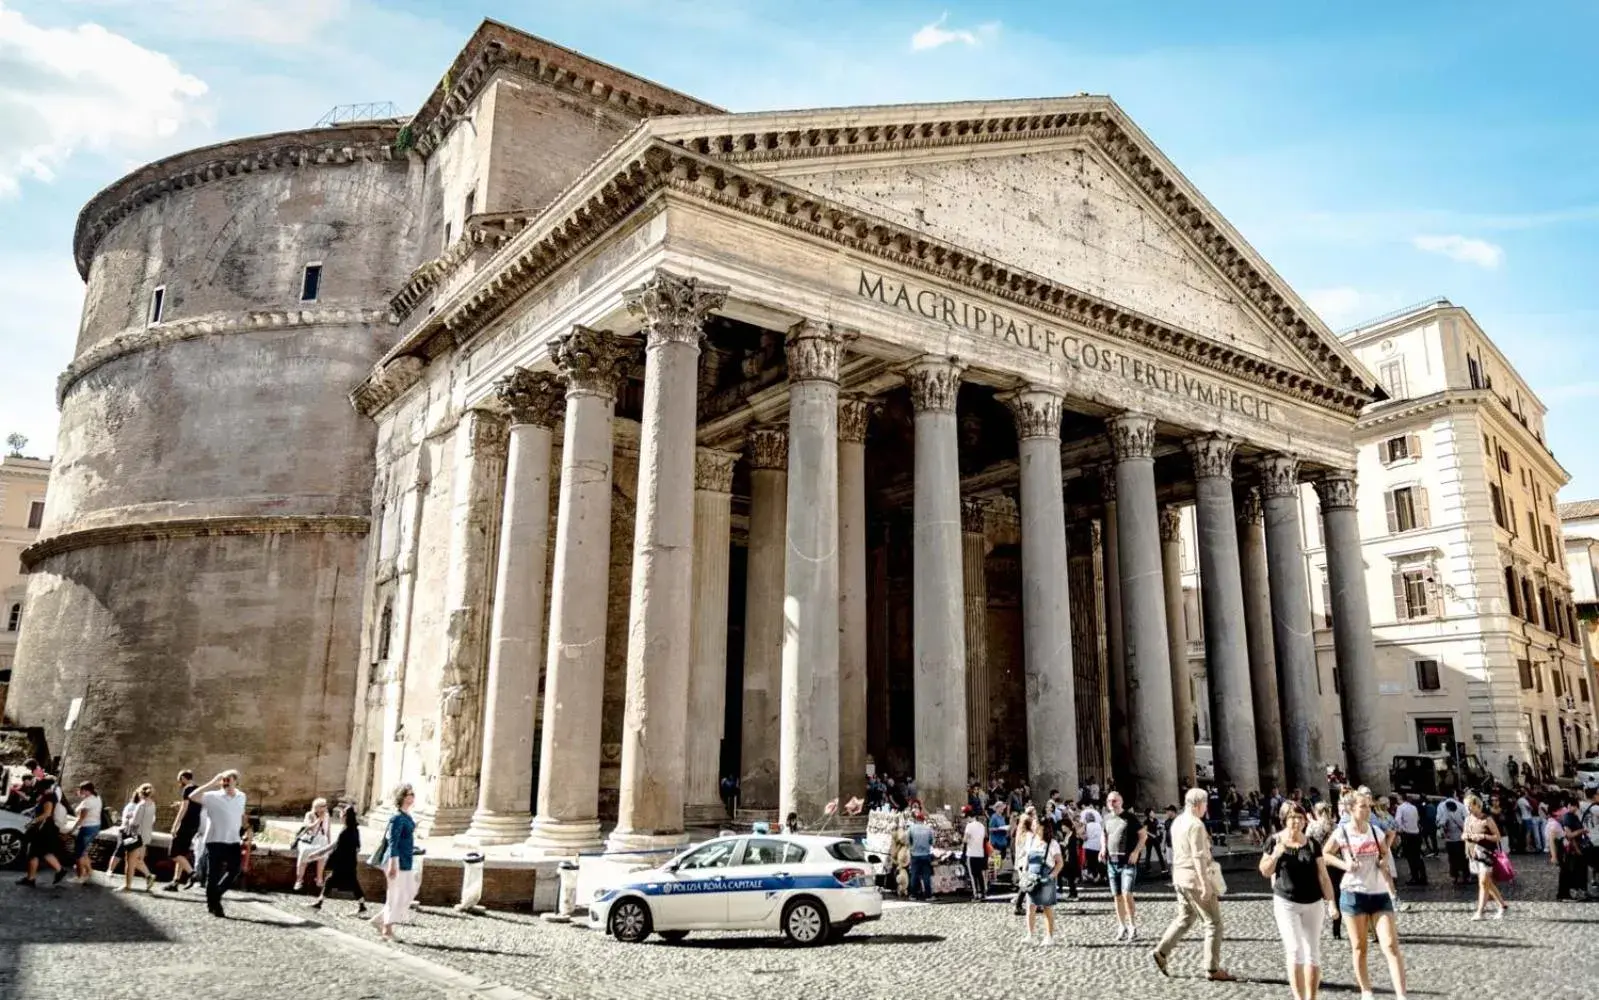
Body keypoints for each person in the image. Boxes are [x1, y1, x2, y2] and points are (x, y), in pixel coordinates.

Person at [1324, 790, 1409, 1000]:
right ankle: (1366, 990)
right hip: (1353, 894)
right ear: (1351, 809)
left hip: (1378, 892)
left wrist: (1382, 861)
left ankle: (1401, 995)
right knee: (1359, 947)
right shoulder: (1341, 832)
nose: (1367, 810)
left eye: (1369, 806)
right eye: (1363, 806)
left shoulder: (1375, 831)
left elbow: (1384, 851)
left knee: (1390, 944)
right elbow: (1325, 854)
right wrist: (1345, 864)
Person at [1150, 787, 1236, 982]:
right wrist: (1205, 884)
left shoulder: (1177, 821)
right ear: (1199, 805)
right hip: (1195, 879)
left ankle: (1161, 951)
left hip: (1179, 877)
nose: (1206, 808)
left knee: (1185, 917)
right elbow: (1198, 856)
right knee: (1213, 923)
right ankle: (1212, 969)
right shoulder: (1196, 825)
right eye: (1205, 804)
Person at [1261, 803, 1336, 1000]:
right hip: (1286, 902)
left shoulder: (1312, 844)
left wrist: (1332, 903)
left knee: (1313, 952)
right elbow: (1265, 870)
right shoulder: (1274, 841)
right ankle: (1299, 997)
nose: (1297, 821)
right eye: (1292, 817)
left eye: (1300, 818)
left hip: (1313, 902)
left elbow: (1323, 876)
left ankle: (1311, 998)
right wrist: (1276, 854)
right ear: (1284, 819)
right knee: (1295, 950)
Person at [188, 769, 248, 917]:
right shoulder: (212, 796)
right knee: (212, 875)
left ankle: (216, 895)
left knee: (235, 869)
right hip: (214, 840)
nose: (226, 782)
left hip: (233, 840)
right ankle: (213, 904)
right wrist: (212, 782)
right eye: (224, 779)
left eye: (229, 779)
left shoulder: (241, 796)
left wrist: (246, 830)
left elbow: (240, 815)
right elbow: (192, 796)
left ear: (236, 781)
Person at [372, 783, 420, 941]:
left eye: (413, 794)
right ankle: (387, 929)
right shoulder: (397, 818)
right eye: (409, 794)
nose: (412, 796)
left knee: (408, 892)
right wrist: (393, 863)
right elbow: (393, 841)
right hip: (395, 860)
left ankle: (380, 920)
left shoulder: (407, 816)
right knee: (395, 894)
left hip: (406, 859)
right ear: (402, 797)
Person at [1102, 791, 1149, 942]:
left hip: (1127, 862)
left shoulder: (1130, 817)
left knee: (1126, 893)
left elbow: (1143, 835)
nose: (1112, 803)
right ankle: (1121, 925)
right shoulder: (1107, 818)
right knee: (1117, 896)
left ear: (1121, 802)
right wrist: (1103, 848)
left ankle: (1132, 926)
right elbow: (1104, 834)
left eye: (1115, 800)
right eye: (1109, 801)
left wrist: (1136, 852)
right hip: (1112, 861)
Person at [312, 805, 367, 915]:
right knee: (353, 883)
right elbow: (357, 847)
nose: (340, 816)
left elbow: (337, 846)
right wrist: (320, 852)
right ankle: (362, 906)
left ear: (346, 816)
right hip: (350, 862)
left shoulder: (346, 831)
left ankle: (319, 903)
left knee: (330, 880)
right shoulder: (354, 830)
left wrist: (321, 853)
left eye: (342, 814)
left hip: (343, 862)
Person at [1463, 792, 1507, 920]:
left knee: (1483, 883)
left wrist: (1482, 836)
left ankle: (1479, 912)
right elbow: (1464, 834)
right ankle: (1502, 905)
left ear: (1477, 805)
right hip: (1473, 854)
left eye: (1470, 806)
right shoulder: (1467, 819)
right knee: (1487, 883)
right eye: (1466, 806)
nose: (1468, 808)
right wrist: (1466, 836)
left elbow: (1497, 837)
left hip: (1486, 855)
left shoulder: (1487, 819)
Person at [17, 776, 68, 887]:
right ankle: (59, 870)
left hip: (43, 829)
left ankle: (31, 879)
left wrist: (32, 822)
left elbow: (47, 813)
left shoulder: (48, 797)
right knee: (43, 852)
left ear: (42, 787)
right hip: (46, 828)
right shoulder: (50, 796)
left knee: (34, 854)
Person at [1020, 816, 1064, 945]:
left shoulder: (1052, 843)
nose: (1033, 827)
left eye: (1035, 824)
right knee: (1030, 907)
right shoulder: (1032, 840)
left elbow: (1059, 863)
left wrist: (1052, 875)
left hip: (1045, 878)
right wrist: (1024, 872)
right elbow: (1027, 858)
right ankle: (1029, 934)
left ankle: (1049, 936)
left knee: (1047, 908)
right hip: (1031, 878)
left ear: (1042, 827)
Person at [111, 784, 157, 891]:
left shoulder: (141, 805)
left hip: (136, 836)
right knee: (137, 860)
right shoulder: (152, 804)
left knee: (130, 861)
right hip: (146, 836)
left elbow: (134, 823)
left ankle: (128, 886)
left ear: (141, 793)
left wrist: (129, 817)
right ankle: (149, 876)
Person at [165, 770, 201, 891]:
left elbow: (184, 808)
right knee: (181, 853)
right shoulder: (199, 789)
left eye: (179, 780)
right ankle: (175, 881)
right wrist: (180, 803)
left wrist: (175, 824)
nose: (179, 783)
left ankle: (192, 873)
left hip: (185, 824)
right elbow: (194, 806)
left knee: (173, 853)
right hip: (195, 825)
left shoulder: (187, 789)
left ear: (183, 778)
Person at [293, 797, 333, 892]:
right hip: (310, 839)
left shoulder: (327, 815)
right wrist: (319, 819)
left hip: (322, 839)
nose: (326, 807)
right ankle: (299, 880)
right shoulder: (310, 814)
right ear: (317, 807)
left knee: (323, 855)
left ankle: (319, 879)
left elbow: (328, 830)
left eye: (326, 805)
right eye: (323, 806)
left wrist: (329, 842)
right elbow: (309, 828)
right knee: (305, 853)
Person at [69, 781, 103, 882]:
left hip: (87, 828)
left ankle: (80, 876)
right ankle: (89, 871)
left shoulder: (88, 802)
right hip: (95, 826)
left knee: (78, 853)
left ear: (86, 790)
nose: (79, 792)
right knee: (83, 851)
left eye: (81, 790)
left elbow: (81, 818)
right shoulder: (97, 797)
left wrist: (72, 830)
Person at [1394, 794, 1426, 886]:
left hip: (1407, 835)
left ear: (1400, 799)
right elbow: (1417, 819)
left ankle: (1415, 877)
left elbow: (1397, 821)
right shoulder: (1414, 807)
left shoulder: (1401, 808)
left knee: (1410, 857)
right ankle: (1423, 876)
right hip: (1416, 834)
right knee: (1418, 856)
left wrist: (1401, 829)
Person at [906, 810, 934, 901]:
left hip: (915, 854)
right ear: (923, 820)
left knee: (914, 875)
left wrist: (912, 847)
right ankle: (928, 895)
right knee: (926, 875)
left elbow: (908, 841)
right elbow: (932, 841)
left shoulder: (911, 828)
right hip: (926, 854)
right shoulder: (928, 829)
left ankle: (913, 895)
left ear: (916, 820)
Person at [961, 806, 987, 900]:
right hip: (980, 853)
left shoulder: (969, 826)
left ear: (968, 817)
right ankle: (983, 892)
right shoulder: (981, 826)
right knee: (979, 874)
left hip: (971, 853)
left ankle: (975, 894)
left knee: (973, 875)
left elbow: (965, 839)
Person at [1440, 798, 1468, 886]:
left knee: (1453, 860)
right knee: (1463, 858)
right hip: (1461, 839)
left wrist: (1444, 829)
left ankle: (1455, 876)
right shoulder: (1460, 814)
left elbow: (1442, 823)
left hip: (1451, 840)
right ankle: (1465, 875)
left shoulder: (1446, 814)